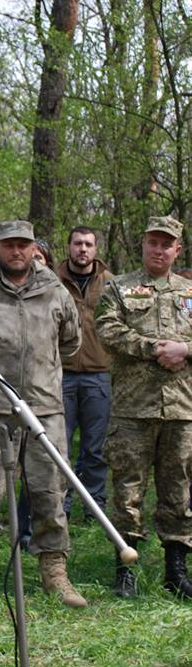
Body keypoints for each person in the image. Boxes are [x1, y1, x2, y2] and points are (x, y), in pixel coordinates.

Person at [0, 220, 87, 608]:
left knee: (50, 492)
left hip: (43, 409)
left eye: (23, 245)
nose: (16, 252)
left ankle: (55, 572)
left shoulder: (55, 292)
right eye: (8, 245)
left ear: (34, 249)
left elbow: (71, 342)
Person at [95, 215, 192, 599]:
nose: (159, 249)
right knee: (127, 491)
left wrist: (185, 349)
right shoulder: (119, 287)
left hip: (182, 409)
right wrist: (154, 349)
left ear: (177, 250)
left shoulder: (190, 291)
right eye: (153, 242)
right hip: (133, 408)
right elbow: (108, 330)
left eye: (166, 244)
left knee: (179, 490)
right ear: (143, 244)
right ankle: (126, 568)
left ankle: (176, 569)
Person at [58, 227, 112, 520]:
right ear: (69, 247)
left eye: (88, 244)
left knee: (95, 447)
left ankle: (95, 509)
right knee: (59, 446)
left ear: (96, 249)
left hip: (98, 374)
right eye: (77, 243)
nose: (83, 249)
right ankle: (60, 508)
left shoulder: (111, 283)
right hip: (61, 374)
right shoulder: (52, 281)